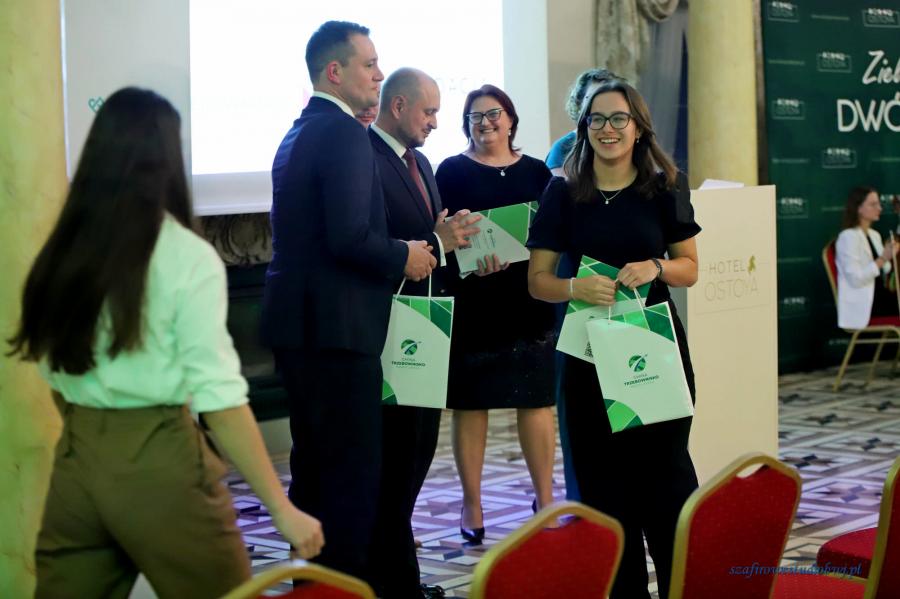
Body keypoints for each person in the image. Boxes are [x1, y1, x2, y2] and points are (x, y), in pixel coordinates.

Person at [7, 87, 324, 599]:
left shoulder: (64, 250)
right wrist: (281, 509)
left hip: (75, 463)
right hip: (159, 462)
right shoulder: (184, 256)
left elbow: (52, 367)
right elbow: (222, 403)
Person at [260, 21, 436, 582]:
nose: (380, 75)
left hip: (303, 328)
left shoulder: (299, 131)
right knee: (350, 485)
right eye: (369, 64)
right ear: (335, 72)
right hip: (338, 333)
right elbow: (349, 237)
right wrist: (405, 254)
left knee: (314, 474)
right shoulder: (342, 133)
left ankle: (313, 586)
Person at [527, 77, 700, 599]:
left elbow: (690, 269)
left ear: (638, 127)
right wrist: (573, 286)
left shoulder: (666, 187)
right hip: (586, 357)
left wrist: (655, 266)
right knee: (601, 488)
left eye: (619, 118)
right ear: (584, 127)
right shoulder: (562, 192)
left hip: (653, 350)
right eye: (597, 119)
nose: (608, 129)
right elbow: (537, 282)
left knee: (667, 481)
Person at [367, 67, 480, 599]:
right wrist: (436, 239)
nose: (436, 122)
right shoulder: (365, 157)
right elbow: (375, 242)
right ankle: (396, 586)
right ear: (398, 106)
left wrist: (464, 249)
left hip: (427, 328)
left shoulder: (423, 163)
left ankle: (400, 579)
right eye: (428, 111)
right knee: (393, 464)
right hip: (390, 333)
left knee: (416, 454)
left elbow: (434, 241)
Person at [435, 85, 556, 544]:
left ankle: (545, 498)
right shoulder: (451, 170)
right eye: (475, 116)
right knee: (472, 404)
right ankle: (472, 503)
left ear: (510, 120)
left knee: (536, 400)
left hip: (528, 298)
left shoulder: (537, 170)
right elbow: (439, 230)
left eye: (493, 114)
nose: (485, 123)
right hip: (474, 299)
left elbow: (551, 231)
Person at [835, 186, 899, 330]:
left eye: (879, 204)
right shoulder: (848, 237)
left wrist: (890, 254)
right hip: (866, 304)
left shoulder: (874, 235)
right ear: (858, 208)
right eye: (873, 204)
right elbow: (856, 279)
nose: (879, 208)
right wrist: (883, 258)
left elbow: (885, 269)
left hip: (882, 296)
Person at [545, 68, 615, 177]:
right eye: (593, 97)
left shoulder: (617, 139)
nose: (601, 103)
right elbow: (558, 186)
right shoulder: (563, 148)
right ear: (579, 104)